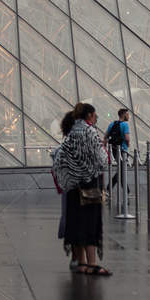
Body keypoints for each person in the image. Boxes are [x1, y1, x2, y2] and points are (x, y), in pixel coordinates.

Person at [53, 102, 109, 276]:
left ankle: (82, 262)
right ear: (90, 115)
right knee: (91, 223)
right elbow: (102, 159)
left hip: (72, 188)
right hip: (89, 186)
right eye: (95, 115)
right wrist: (89, 169)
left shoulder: (70, 135)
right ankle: (92, 264)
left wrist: (69, 177)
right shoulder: (89, 132)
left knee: (76, 223)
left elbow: (59, 159)